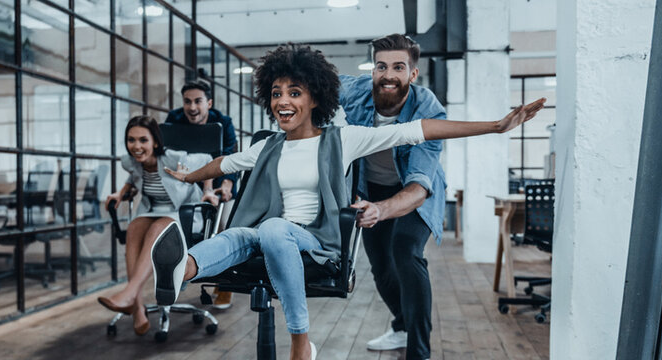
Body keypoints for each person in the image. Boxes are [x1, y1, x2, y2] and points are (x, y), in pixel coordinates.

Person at [151, 44, 545, 360]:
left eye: (294, 92)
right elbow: (225, 163)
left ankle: (301, 342)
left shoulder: (343, 139)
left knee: (275, 230)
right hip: (270, 232)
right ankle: (180, 269)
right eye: (276, 93)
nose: (283, 101)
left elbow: (419, 130)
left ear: (315, 99)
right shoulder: (268, 146)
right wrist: (188, 176)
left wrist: (495, 126)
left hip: (313, 239)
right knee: (237, 234)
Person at [338, 34, 444, 360]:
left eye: (398, 67)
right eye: (381, 66)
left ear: (412, 74)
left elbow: (419, 185)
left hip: (413, 191)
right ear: (373, 70)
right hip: (372, 188)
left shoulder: (428, 109)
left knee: (405, 251)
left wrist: (381, 210)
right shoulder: (356, 91)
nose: (388, 75)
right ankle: (401, 326)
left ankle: (419, 352)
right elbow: (316, 78)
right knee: (381, 266)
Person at [96, 115, 218, 336]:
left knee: (156, 228)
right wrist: (121, 193)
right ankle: (137, 308)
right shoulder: (131, 161)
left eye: (143, 140)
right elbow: (133, 177)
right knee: (134, 227)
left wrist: (208, 190)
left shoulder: (173, 158)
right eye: (131, 140)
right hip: (152, 211)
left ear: (155, 142)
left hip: (183, 213)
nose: (137, 146)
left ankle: (129, 294)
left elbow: (209, 160)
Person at [165, 80, 239, 309]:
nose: (192, 107)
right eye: (187, 102)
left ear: (209, 103)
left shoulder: (224, 123)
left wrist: (226, 186)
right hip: (185, 184)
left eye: (198, 101)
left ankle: (225, 285)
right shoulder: (174, 120)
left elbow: (230, 157)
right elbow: (167, 156)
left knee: (226, 226)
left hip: (218, 183)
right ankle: (183, 269)